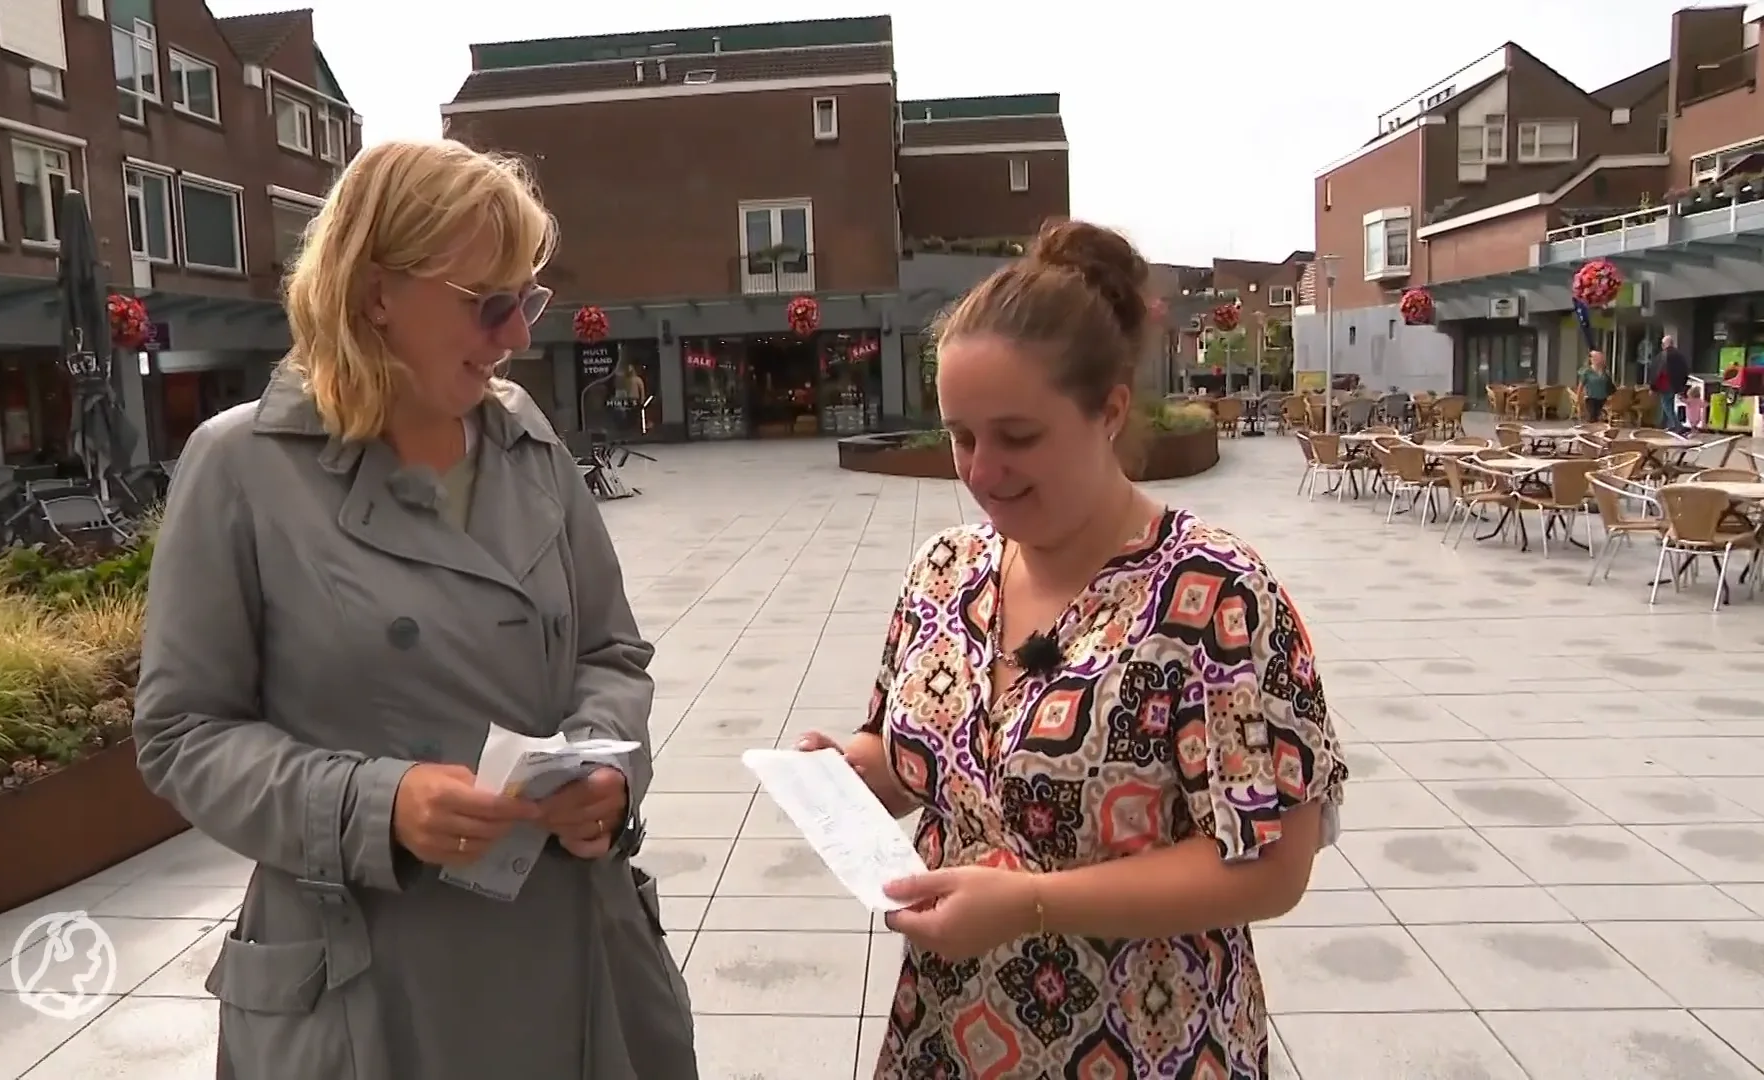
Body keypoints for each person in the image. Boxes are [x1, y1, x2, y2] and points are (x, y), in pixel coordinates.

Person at [133, 140, 698, 1080]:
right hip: (369, 983)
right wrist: (376, 803)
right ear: (374, 292)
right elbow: (182, 733)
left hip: (573, 952)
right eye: (488, 303)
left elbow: (611, 652)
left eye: (529, 299)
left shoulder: (529, 446)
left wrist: (608, 767)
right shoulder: (240, 467)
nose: (517, 334)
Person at [800, 219, 1347, 1079]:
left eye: (1017, 437)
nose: (981, 471)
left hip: (1145, 1044)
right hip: (948, 1036)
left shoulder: (1214, 597)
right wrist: (854, 770)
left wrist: (1036, 907)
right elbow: (930, 759)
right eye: (960, 435)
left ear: (1111, 411)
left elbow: (1272, 865)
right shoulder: (943, 572)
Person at [1656, 334, 1691, 431]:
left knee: (1666, 405)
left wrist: (1653, 386)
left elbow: (1658, 372)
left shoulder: (1663, 356)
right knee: (1668, 404)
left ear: (1664, 344)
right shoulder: (1680, 356)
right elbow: (1685, 371)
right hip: (1675, 385)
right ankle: (1667, 424)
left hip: (1666, 385)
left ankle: (1677, 425)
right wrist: (1682, 385)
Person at [1579, 349, 1616, 422]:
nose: (1598, 360)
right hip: (1591, 398)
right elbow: (1581, 385)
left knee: (1602, 418)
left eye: (1600, 358)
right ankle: (1592, 431)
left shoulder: (1605, 372)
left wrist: (1611, 396)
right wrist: (1578, 399)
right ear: (1591, 359)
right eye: (1596, 357)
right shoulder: (1587, 371)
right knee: (1592, 417)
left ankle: (1600, 432)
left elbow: (1610, 385)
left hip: (1603, 399)